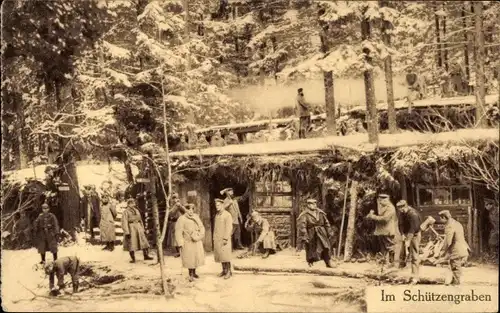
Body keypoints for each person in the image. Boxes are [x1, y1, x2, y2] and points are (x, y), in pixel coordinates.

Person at [297, 198, 335, 268]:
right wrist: (305, 236)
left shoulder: (320, 213)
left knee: (325, 247)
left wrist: (329, 232)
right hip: (311, 233)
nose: (313, 205)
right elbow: (302, 226)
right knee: (311, 248)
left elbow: (326, 223)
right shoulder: (304, 214)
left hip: (322, 233)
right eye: (311, 204)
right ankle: (310, 262)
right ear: (308, 205)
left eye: (315, 203)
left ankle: (328, 262)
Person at [436, 210, 470, 285]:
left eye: (441, 218)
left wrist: (442, 251)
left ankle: (457, 284)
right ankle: (455, 281)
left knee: (455, 266)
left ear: (444, 217)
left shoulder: (449, 226)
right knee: (456, 265)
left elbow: (448, 241)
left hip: (456, 249)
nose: (440, 220)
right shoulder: (456, 223)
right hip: (462, 247)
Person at [366, 194, 400, 268]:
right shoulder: (384, 207)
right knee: (383, 248)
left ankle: (392, 263)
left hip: (387, 231)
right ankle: (385, 263)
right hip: (381, 231)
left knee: (390, 247)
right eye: (379, 201)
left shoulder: (390, 208)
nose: (380, 203)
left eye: (381, 201)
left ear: (385, 200)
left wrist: (373, 216)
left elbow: (384, 219)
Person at [175, 203, 206, 282]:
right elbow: (178, 231)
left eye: (192, 209)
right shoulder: (182, 219)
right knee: (189, 258)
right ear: (186, 210)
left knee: (196, 257)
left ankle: (194, 272)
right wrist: (180, 243)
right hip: (187, 241)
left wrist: (199, 235)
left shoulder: (196, 217)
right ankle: (190, 274)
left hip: (196, 240)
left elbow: (201, 227)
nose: (191, 211)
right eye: (189, 209)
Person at [396, 200, 422, 284]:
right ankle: (406, 275)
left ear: (406, 206)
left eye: (402, 209)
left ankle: (415, 277)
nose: (401, 211)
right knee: (403, 256)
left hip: (414, 235)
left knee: (414, 256)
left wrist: (408, 240)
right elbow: (400, 224)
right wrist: (402, 234)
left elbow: (413, 228)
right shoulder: (402, 213)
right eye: (399, 209)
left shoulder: (413, 214)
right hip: (406, 234)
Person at [122, 198, 153, 263]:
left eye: (133, 203)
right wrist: (127, 232)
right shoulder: (125, 212)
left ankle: (146, 255)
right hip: (131, 228)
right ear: (128, 204)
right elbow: (124, 222)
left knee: (144, 242)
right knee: (132, 243)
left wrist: (143, 228)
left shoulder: (137, 210)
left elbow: (140, 220)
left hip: (139, 228)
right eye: (131, 203)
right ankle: (133, 258)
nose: (133, 204)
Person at [214, 198, 233, 279]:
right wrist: (214, 237)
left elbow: (229, 228)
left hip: (225, 239)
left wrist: (225, 238)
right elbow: (215, 228)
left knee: (226, 255)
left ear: (222, 205)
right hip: (218, 238)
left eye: (218, 205)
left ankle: (229, 271)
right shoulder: (217, 215)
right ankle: (224, 270)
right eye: (216, 205)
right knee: (220, 255)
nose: (217, 207)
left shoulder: (227, 215)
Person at [167, 192, 184, 257]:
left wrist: (180, 206)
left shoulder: (180, 204)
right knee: (175, 238)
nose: (175, 199)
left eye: (176, 197)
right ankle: (178, 252)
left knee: (180, 236)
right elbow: (170, 214)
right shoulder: (171, 206)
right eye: (174, 198)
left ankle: (181, 252)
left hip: (180, 222)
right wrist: (175, 206)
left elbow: (184, 211)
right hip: (174, 223)